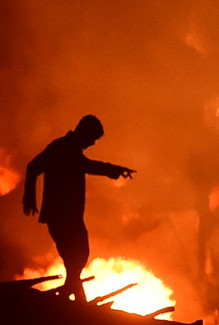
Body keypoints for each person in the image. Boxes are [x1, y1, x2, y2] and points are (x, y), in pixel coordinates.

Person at [22, 115, 135, 303]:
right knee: (76, 255)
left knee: (76, 256)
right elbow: (33, 166)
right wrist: (29, 196)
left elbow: (86, 165)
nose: (92, 143)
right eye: (92, 138)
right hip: (60, 215)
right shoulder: (61, 148)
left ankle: (72, 294)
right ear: (84, 132)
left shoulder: (70, 149)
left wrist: (114, 169)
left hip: (70, 215)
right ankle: (73, 296)